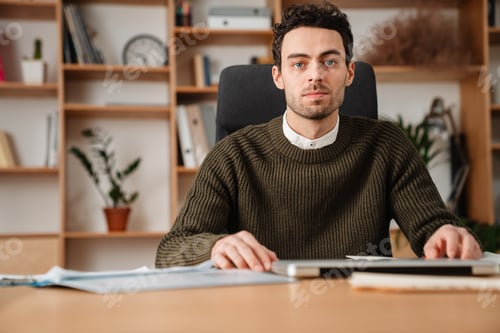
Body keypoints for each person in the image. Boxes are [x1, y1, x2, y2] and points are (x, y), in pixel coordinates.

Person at [156, 2, 482, 271]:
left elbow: (432, 226)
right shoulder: (232, 155)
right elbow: (171, 250)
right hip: (261, 313)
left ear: (349, 72)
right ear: (278, 76)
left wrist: (446, 233)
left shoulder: (387, 146)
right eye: (299, 64)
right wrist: (216, 245)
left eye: (329, 61)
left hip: (361, 313)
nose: (315, 75)